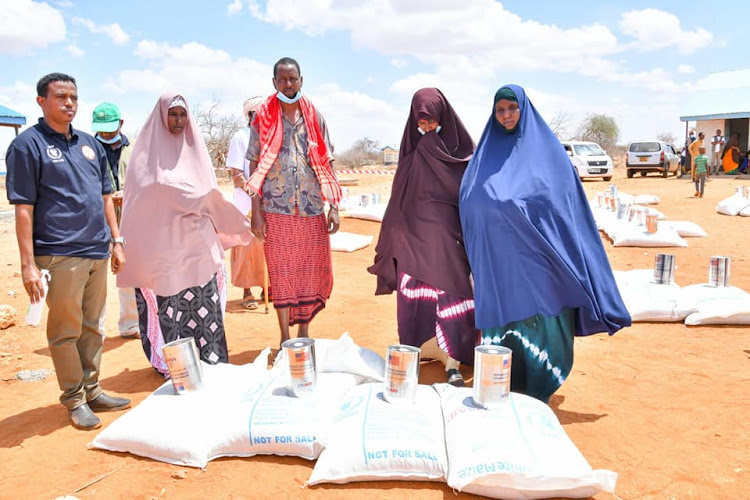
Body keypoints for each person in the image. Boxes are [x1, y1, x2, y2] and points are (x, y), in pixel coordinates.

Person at [458, 85, 630, 403]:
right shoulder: (483, 157)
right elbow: (469, 203)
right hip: (497, 265)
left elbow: (565, 210)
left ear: (524, 110)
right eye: (500, 110)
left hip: (540, 261)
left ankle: (539, 388)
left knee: (542, 321)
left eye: (512, 108)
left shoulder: (549, 156)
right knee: (503, 325)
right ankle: (503, 386)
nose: (506, 115)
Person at [5, 72, 131, 430]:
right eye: (60, 97)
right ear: (41, 101)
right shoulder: (27, 145)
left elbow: (106, 196)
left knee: (93, 327)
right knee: (66, 329)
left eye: (73, 97)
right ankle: (74, 398)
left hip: (96, 249)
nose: (69, 103)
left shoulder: (88, 144)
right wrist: (28, 266)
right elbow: (23, 208)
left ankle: (93, 390)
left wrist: (116, 240)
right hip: (58, 252)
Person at [116, 92, 253, 376]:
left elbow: (210, 196)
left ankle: (211, 358)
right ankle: (175, 365)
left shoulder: (197, 152)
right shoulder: (145, 157)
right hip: (163, 251)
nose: (178, 121)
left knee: (205, 306)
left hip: (198, 247)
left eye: (183, 115)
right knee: (171, 308)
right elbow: (139, 202)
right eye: (173, 114)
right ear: (161, 117)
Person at [368, 88, 477, 387]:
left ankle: (452, 360)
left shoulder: (464, 156)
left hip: (450, 246)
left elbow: (473, 198)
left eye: (432, 121)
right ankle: (417, 353)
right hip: (414, 247)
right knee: (417, 301)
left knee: (452, 297)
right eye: (422, 123)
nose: (427, 128)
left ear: (444, 116)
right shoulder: (411, 157)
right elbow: (398, 204)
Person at [243, 57, 341, 347]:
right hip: (276, 210)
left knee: (310, 272)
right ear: (274, 83)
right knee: (282, 274)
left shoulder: (315, 116)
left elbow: (327, 161)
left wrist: (333, 206)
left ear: (301, 80)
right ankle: (285, 338)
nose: (288, 84)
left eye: (293, 79)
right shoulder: (263, 117)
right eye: (282, 80)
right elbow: (254, 165)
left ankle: (303, 334)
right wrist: (256, 212)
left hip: (311, 210)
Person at [91, 102, 139, 339]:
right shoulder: (87, 149)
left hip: (130, 218)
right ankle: (93, 331)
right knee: (95, 277)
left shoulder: (136, 151)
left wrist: (128, 194)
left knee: (128, 271)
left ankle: (130, 324)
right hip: (97, 221)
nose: (106, 134)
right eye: (101, 130)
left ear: (120, 124)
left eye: (110, 129)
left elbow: (145, 183)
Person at [228, 97, 267, 310]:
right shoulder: (239, 138)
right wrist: (254, 194)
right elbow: (236, 175)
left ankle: (266, 288)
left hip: (268, 203)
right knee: (245, 248)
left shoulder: (270, 137)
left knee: (265, 249)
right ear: (250, 115)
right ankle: (246, 291)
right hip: (246, 204)